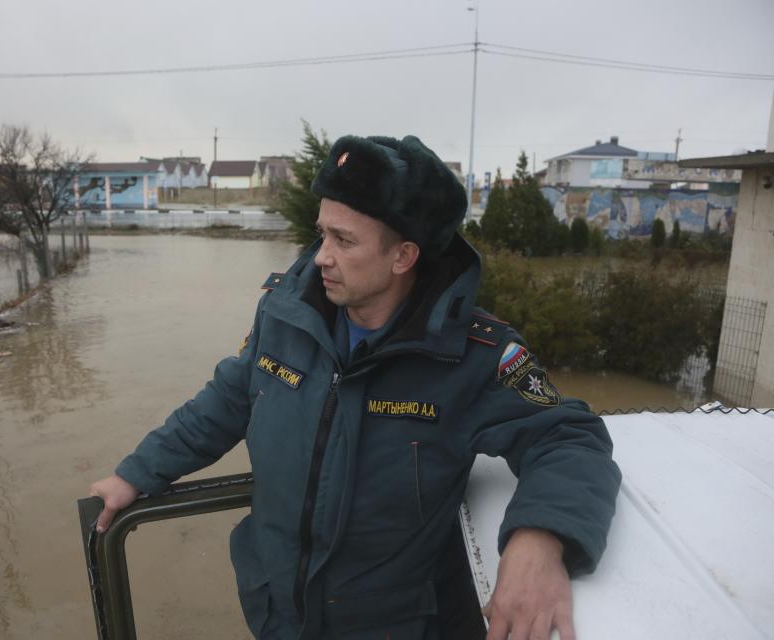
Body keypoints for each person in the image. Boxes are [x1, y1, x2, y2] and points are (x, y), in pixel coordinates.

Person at [90, 134, 621, 639]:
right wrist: (137, 473)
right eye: (323, 233)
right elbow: (228, 399)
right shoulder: (285, 314)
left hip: (386, 627)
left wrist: (539, 538)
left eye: (344, 241)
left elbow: (570, 437)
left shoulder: (475, 358)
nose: (321, 255)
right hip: (274, 611)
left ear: (403, 257)